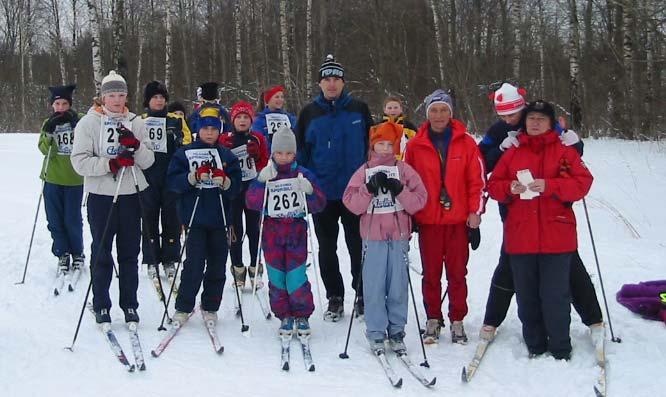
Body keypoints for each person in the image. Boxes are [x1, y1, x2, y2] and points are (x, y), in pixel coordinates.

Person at [477, 83, 604, 346]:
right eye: (503, 115)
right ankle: (492, 319)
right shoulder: (500, 132)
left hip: (553, 219)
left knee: (568, 269)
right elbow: (483, 161)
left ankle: (593, 319)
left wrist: (576, 143)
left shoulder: (543, 122)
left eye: (512, 115)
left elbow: (569, 158)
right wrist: (499, 152)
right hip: (517, 215)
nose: (508, 120)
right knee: (512, 267)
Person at [71, 71, 155, 324]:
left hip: (131, 194)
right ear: (102, 98)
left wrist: (136, 147)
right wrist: (111, 164)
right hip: (101, 196)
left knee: (130, 253)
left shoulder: (136, 122)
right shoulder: (89, 123)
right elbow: (79, 162)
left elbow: (149, 160)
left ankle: (129, 304)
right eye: (112, 95)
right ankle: (101, 304)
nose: (117, 100)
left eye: (121, 95)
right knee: (102, 251)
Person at [295, 54, 374, 321]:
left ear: (343, 82)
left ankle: (362, 294)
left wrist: (372, 178)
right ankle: (335, 297)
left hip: (355, 192)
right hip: (322, 194)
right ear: (319, 84)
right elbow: (301, 154)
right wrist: (305, 181)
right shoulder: (308, 113)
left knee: (357, 245)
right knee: (327, 247)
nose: (331, 84)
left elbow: (372, 147)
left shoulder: (359, 110)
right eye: (326, 80)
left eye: (336, 79)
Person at [404, 89, 485, 344]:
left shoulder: (466, 142)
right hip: (428, 222)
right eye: (434, 111)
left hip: (458, 221)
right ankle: (432, 317)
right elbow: (407, 182)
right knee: (430, 273)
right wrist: (411, 214)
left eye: (443, 110)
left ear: (451, 113)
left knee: (457, 273)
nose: (439, 115)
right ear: (427, 114)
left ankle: (457, 319)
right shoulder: (416, 144)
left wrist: (475, 212)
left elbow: (477, 180)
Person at [342, 121, 427, 353]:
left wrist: (400, 190)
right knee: (374, 284)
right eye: (381, 144)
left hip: (398, 235)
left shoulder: (403, 169)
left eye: (390, 144)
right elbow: (351, 203)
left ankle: (397, 329)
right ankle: (377, 331)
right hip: (373, 236)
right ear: (373, 145)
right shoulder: (364, 170)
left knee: (398, 284)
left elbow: (420, 200)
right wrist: (368, 189)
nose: (386, 149)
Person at [246, 125, 327, 336]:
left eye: (289, 153)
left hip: (296, 233)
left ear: (295, 153)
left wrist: (309, 191)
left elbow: (319, 204)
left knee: (296, 276)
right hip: (272, 234)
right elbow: (252, 203)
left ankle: (301, 314)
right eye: (279, 153)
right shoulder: (267, 173)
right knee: (277, 277)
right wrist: (261, 181)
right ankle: (284, 315)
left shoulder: (303, 173)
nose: (284, 157)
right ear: (272, 153)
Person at [167, 109, 242, 325]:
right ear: (198, 130)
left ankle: (210, 306)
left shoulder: (226, 155)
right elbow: (173, 182)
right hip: (194, 219)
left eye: (213, 129)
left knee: (218, 265)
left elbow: (236, 187)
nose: (209, 133)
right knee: (194, 264)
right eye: (205, 129)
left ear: (219, 131)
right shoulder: (184, 153)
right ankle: (183, 307)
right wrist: (192, 177)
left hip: (219, 219)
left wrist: (226, 182)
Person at [140, 81, 192, 285]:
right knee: (149, 216)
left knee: (172, 218)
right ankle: (151, 258)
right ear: (148, 101)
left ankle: (170, 257)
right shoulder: (141, 121)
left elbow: (188, 143)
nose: (159, 101)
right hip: (148, 176)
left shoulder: (175, 120)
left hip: (171, 176)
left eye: (162, 97)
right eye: (155, 97)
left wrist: (180, 142)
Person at [218, 101, 269, 289]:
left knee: (254, 230)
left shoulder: (257, 138)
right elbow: (218, 161)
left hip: (253, 190)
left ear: (251, 120)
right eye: (238, 117)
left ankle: (256, 269)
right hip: (233, 192)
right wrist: (225, 152)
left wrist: (256, 157)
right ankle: (238, 269)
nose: (242, 120)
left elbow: (265, 163)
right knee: (234, 231)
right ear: (232, 120)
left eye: (245, 117)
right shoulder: (225, 138)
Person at [38, 84, 85, 276]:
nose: (61, 107)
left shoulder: (80, 120)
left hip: (74, 179)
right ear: (52, 105)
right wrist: (49, 132)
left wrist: (77, 128)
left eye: (64, 103)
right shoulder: (48, 122)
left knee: (72, 219)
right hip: (53, 177)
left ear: (70, 104)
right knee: (54, 219)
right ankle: (62, 253)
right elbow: (43, 149)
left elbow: (90, 141)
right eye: (57, 103)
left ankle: (77, 253)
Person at [252, 85, 297, 149]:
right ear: (268, 100)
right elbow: (259, 141)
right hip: (269, 156)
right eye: (277, 97)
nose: (280, 99)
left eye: (282, 97)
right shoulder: (259, 120)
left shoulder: (290, 118)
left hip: (288, 156)